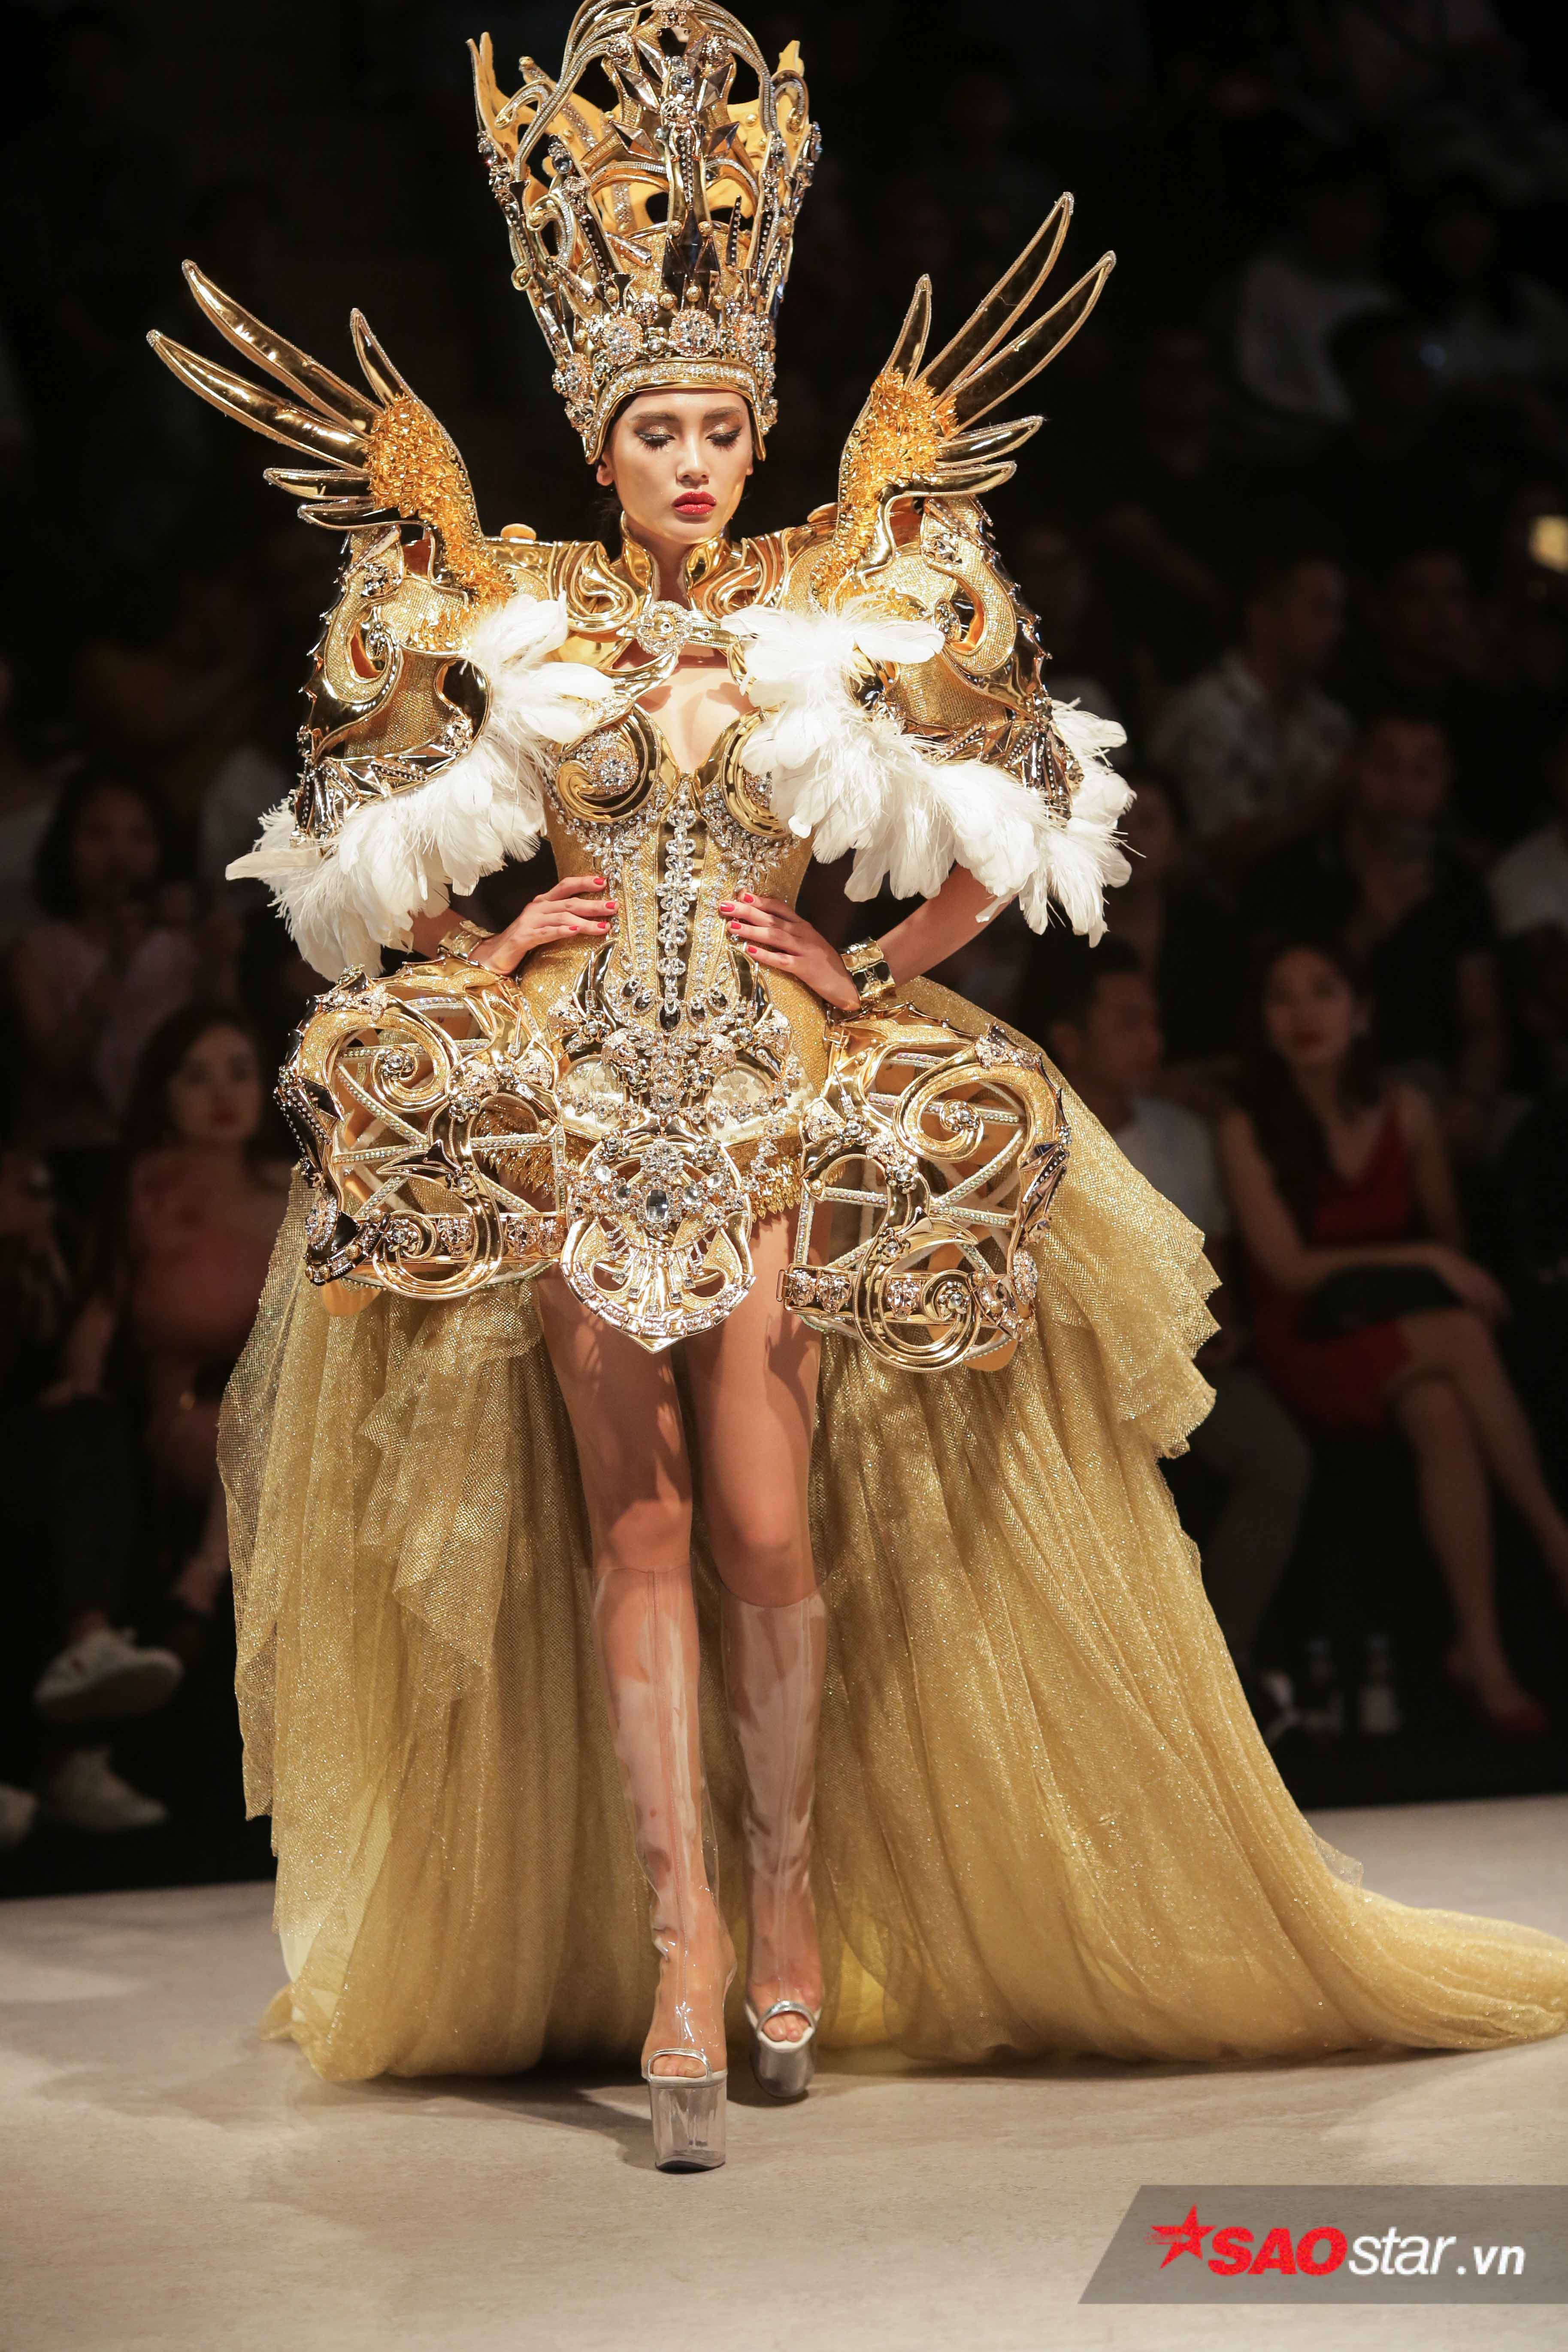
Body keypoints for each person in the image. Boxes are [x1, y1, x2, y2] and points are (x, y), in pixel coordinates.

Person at [147, 2, 1568, 2175]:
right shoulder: (523, 613)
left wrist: (879, 960)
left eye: (723, 420)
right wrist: (474, 941)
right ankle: (682, 1949)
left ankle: (794, 1888)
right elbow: (345, 816)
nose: (695, 454)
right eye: (658, 424)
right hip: (573, 1098)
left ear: (758, 428)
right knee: (631, 1526)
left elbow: (1037, 802)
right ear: (600, 443)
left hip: (774, 1084)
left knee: (764, 1523)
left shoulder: (843, 592)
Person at [1218, 935, 1568, 1736]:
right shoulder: (1245, 1125)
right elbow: (1286, 1268)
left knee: (1441, 1404)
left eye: (1322, 991)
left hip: (1399, 1333)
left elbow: (1445, 1238)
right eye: (1281, 996)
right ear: (1262, 1019)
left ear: (1361, 1011)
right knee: (1457, 1339)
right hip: (1303, 1337)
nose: (1303, 1013)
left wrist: (1427, 1260)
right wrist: (1420, 1259)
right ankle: (1554, 1538)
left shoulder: (1404, 1111)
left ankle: (1480, 1651)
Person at [1044, 941, 1311, 1706]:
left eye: (1153, 1020)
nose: (1150, 1040)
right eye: (1126, 1021)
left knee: (1277, 1457)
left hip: (1181, 1370)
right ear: (1068, 1039)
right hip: (1071, 1378)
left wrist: (1214, 1334)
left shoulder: (1182, 1136)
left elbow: (1213, 1272)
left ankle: (1214, 1669)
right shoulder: (1037, 1136)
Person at [49, 1008, 289, 1663]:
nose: (222, 1095)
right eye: (196, 1077)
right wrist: (81, 1385)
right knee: (256, 1420)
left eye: (239, 1073)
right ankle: (192, 1594)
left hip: (293, 1407)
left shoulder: (297, 1190)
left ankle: (198, 1592)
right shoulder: (149, 1188)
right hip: (189, 1414)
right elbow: (103, 1305)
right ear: (165, 1092)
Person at [1248, 708, 1506, 1159]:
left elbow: (1483, 1021)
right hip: (1312, 1080)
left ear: (1446, 782)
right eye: (1386, 766)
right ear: (1352, 767)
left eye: (1422, 772)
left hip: (1432, 1087)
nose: (1402, 788)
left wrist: (1471, 1102)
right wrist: (1365, 929)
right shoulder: (1288, 875)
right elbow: (1271, 1010)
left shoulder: (1460, 886)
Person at [6, 769, 197, 1229]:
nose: (119, 855)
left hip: (176, 1152)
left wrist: (220, 962)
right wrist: (117, 962)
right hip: (74, 1162)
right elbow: (56, 1067)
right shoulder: (35, 951)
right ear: (65, 847)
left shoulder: (185, 947)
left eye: (139, 837)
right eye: (98, 835)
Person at [1148, 548, 1353, 873]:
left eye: (1338, 614)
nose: (1335, 628)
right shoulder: (1206, 713)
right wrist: (1333, 792)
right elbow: (1219, 851)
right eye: (1319, 610)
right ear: (1262, 617)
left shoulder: (1330, 721)